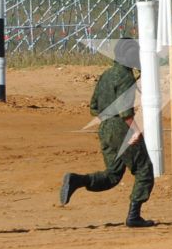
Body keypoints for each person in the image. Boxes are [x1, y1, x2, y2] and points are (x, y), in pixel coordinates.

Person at [59, 39, 155, 227]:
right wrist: (135, 131)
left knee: (112, 175)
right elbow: (125, 112)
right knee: (144, 170)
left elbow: (94, 106)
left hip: (104, 128)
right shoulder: (125, 78)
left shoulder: (107, 75)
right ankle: (134, 216)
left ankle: (77, 180)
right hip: (121, 127)